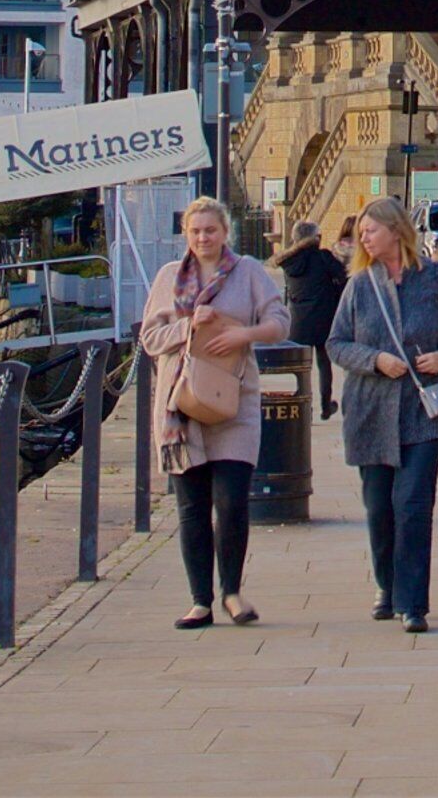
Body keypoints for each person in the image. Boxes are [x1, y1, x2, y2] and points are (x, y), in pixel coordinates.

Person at [328, 192, 438, 633]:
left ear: (396, 231)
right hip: (370, 412)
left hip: (424, 410)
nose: (364, 238)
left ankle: (414, 604)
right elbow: (336, 343)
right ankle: (386, 586)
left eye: (371, 231)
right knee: (379, 507)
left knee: (412, 504)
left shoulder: (435, 278)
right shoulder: (359, 284)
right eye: (361, 233)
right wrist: (374, 360)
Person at [137, 194, 287, 630]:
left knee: (232, 500)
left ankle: (233, 593)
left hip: (234, 400)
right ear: (186, 234)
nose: (204, 238)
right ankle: (200, 600)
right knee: (192, 505)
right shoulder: (169, 277)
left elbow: (280, 323)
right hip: (181, 407)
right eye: (196, 231)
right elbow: (150, 339)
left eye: (211, 230)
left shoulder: (249, 273)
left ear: (226, 233)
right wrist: (189, 327)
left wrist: (242, 334)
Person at [277, 219, 349, 415]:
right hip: (324, 315)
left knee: (302, 366)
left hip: (298, 319)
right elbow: (344, 276)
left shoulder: (289, 262)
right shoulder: (323, 257)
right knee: (323, 362)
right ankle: (326, 406)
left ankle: (304, 407)